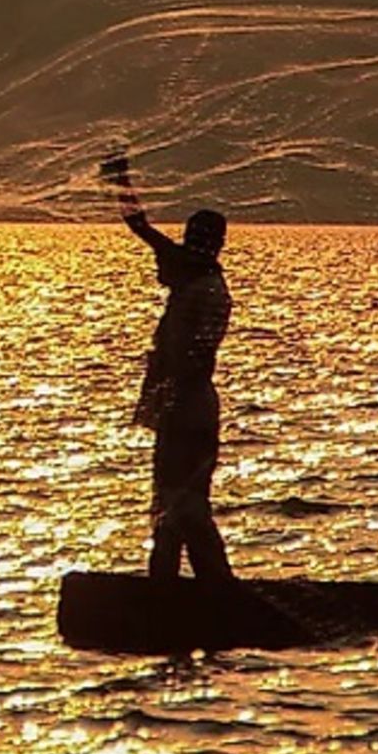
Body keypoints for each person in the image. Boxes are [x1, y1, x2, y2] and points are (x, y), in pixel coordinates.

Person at [102, 150, 234, 583]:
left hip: (185, 408)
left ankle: (205, 590)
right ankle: (178, 586)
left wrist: (121, 179)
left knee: (179, 503)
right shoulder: (208, 281)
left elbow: (140, 227)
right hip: (196, 406)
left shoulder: (194, 278)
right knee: (180, 501)